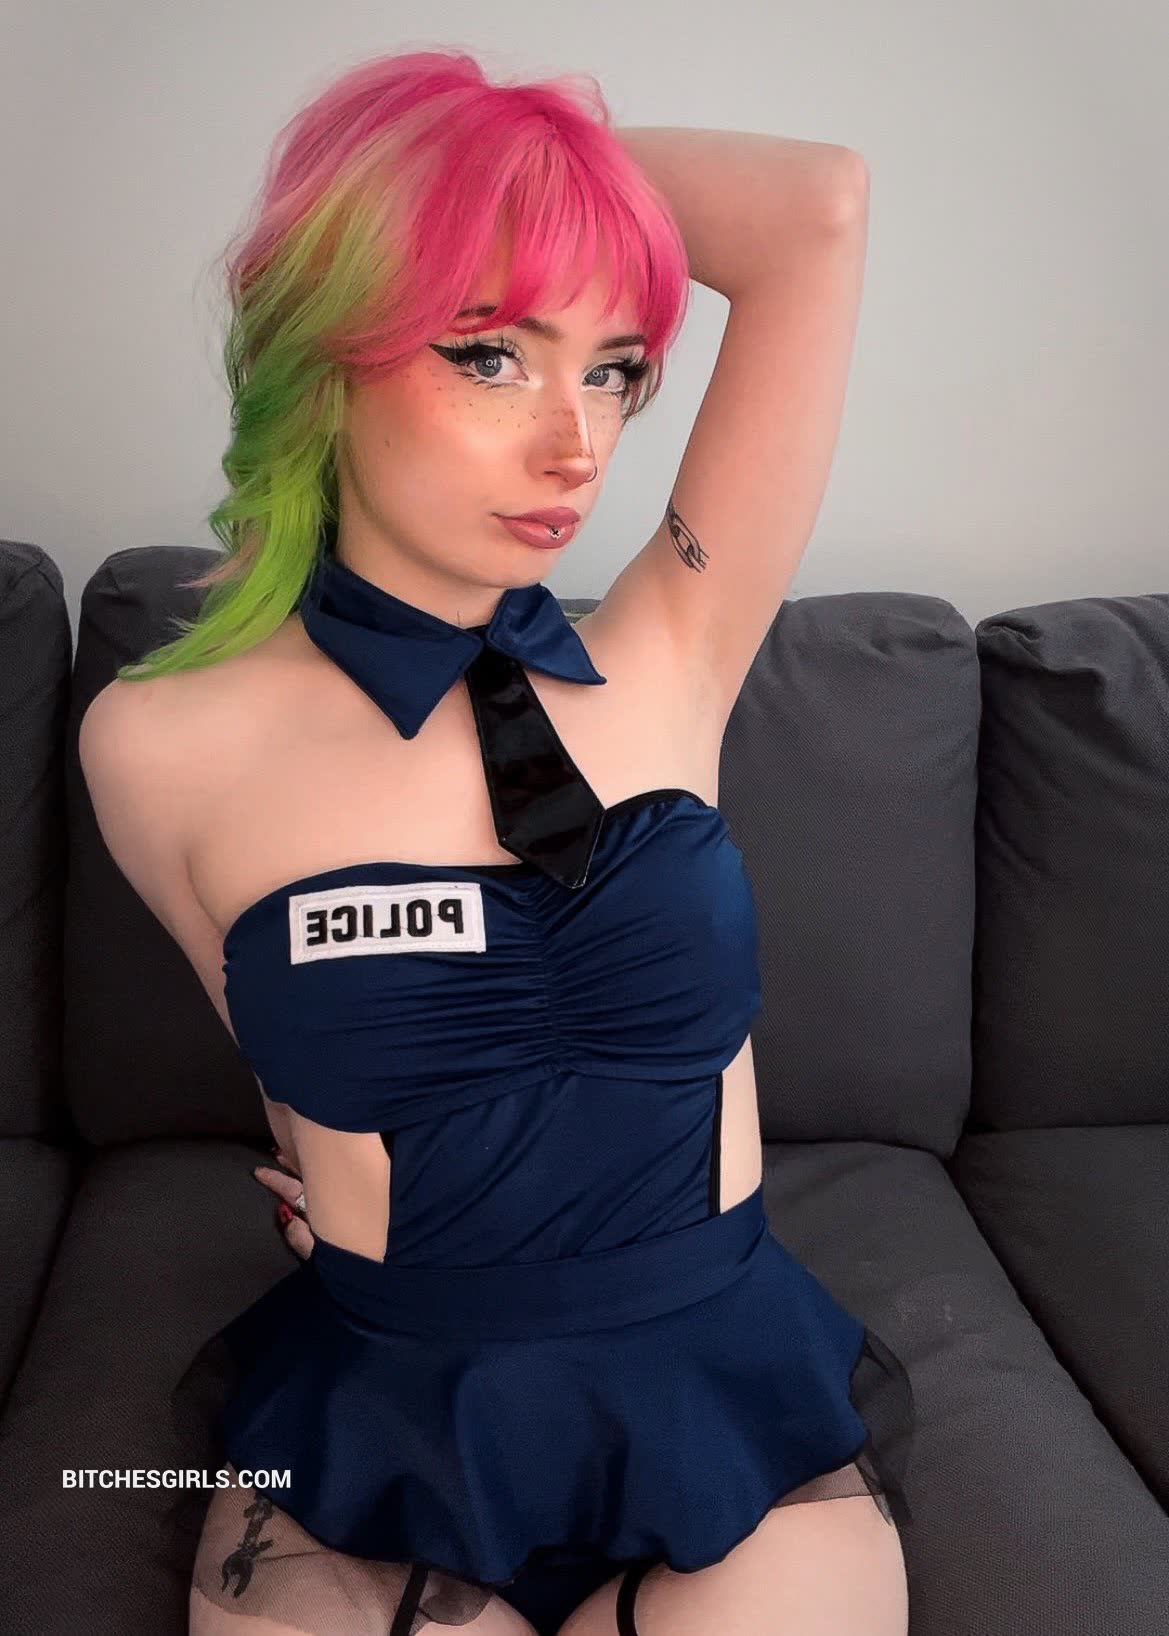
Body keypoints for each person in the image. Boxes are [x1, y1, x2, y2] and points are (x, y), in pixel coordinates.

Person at [81, 45, 913, 1636]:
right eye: (488, 355)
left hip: (718, 1382)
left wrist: (529, 179)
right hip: (394, 1402)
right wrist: (407, 205)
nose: (574, 445)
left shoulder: (672, 648)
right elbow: (287, 1070)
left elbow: (816, 208)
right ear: (327, 350)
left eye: (613, 369)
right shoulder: (159, 744)